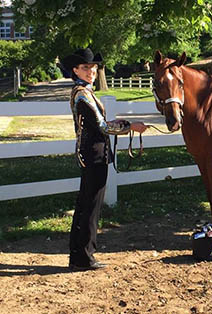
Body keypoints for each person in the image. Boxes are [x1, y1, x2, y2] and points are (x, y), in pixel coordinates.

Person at [62, 48, 148, 271]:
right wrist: (130, 126)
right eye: (85, 68)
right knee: (91, 205)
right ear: (75, 70)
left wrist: (118, 121)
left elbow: (99, 122)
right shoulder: (82, 94)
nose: (91, 71)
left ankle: (78, 254)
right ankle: (85, 256)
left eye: (93, 67)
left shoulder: (83, 92)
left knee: (85, 203)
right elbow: (102, 126)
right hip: (94, 153)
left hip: (91, 152)